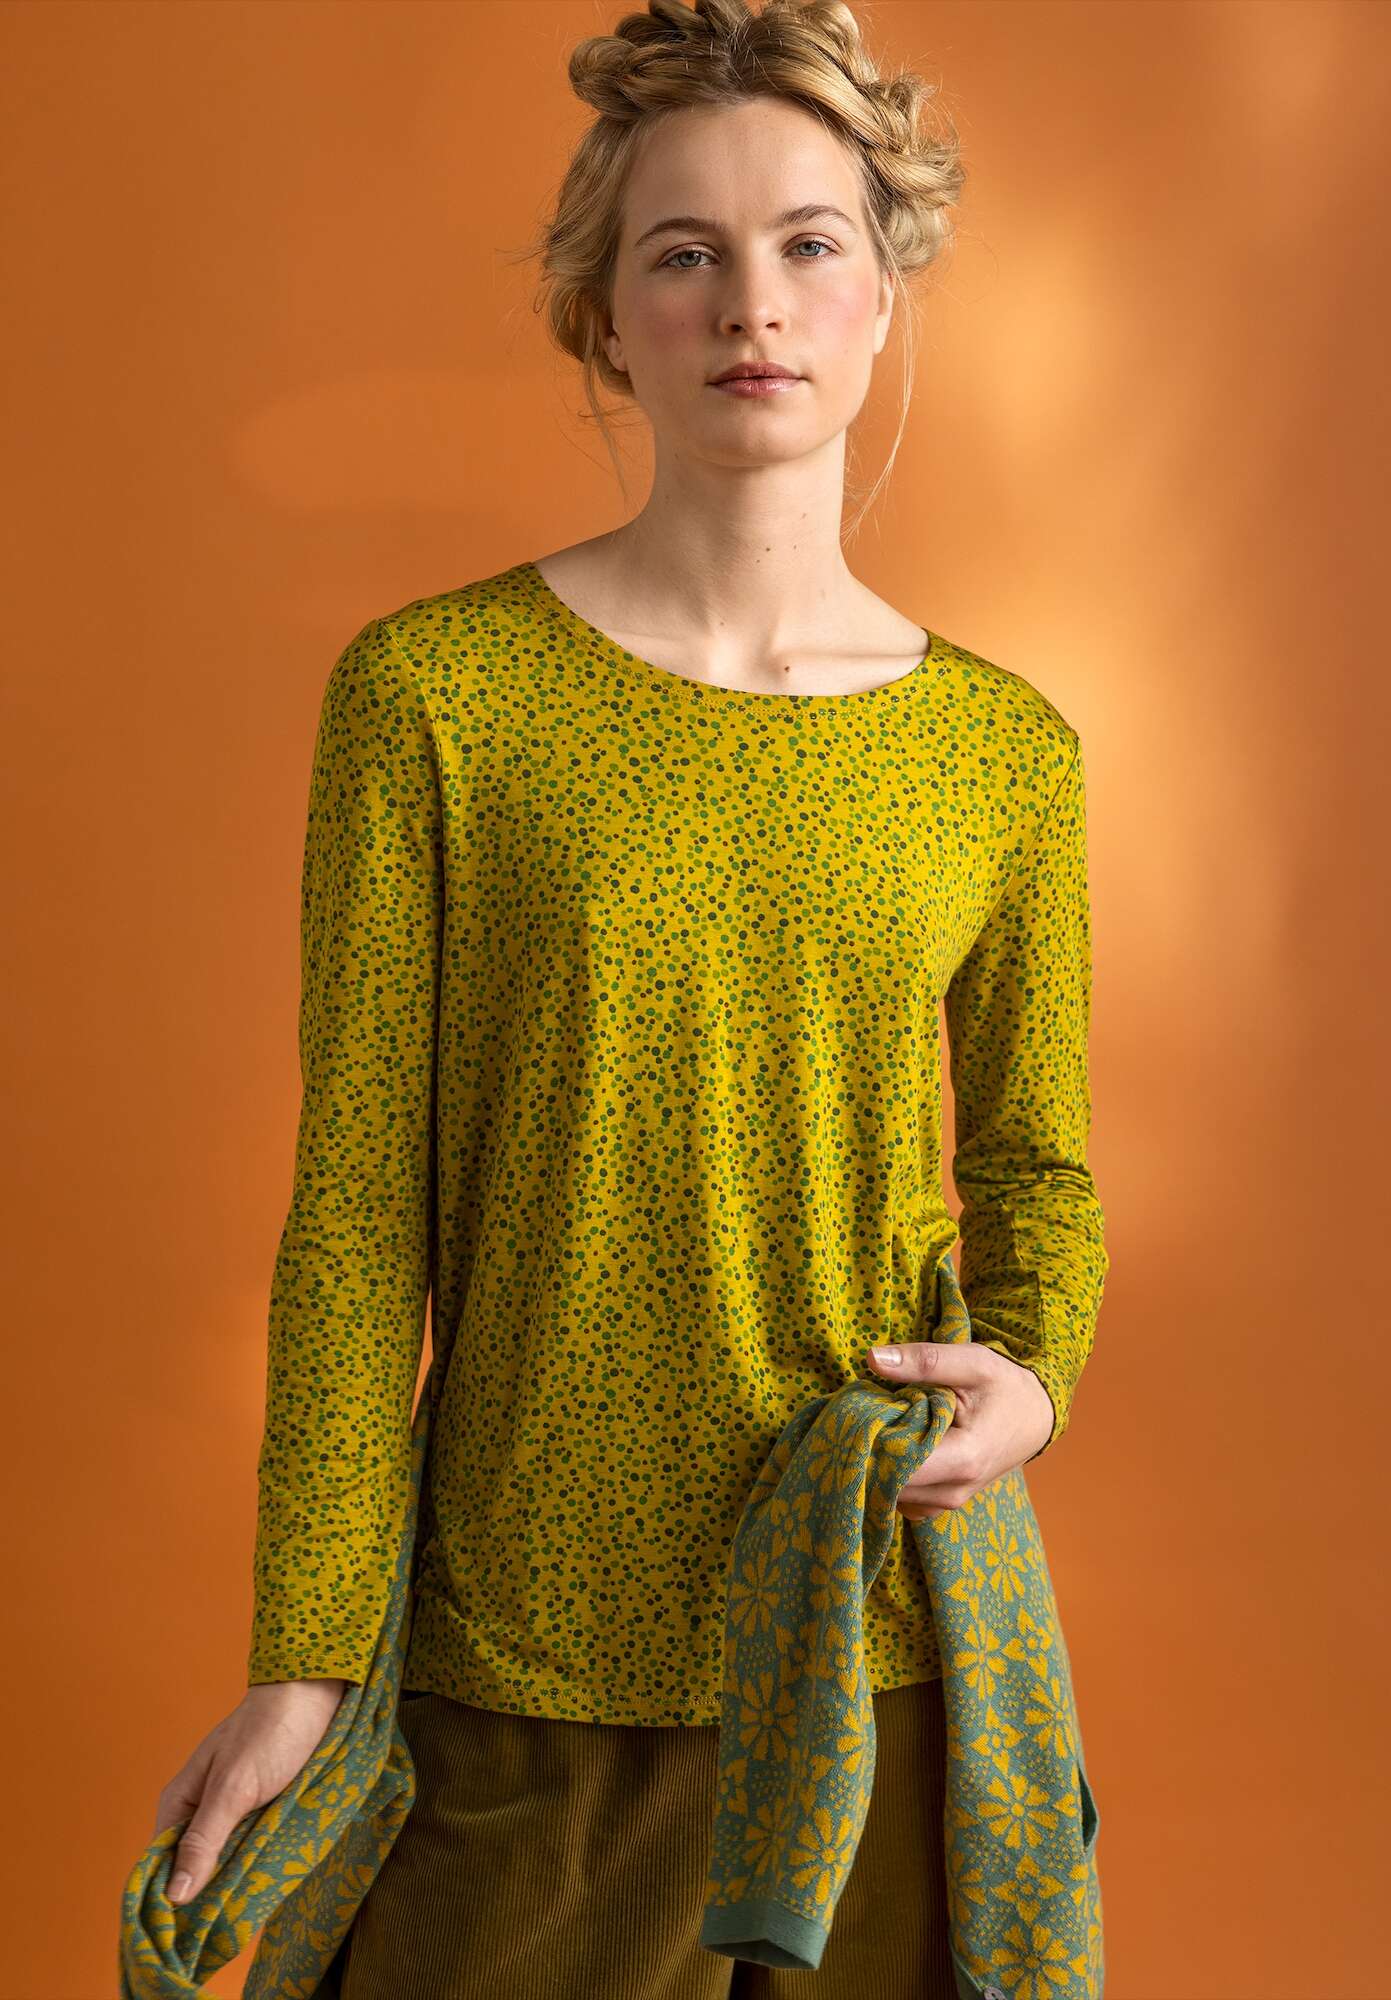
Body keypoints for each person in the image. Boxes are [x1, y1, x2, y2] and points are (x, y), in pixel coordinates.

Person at [151, 3, 1108, 1996]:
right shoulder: (436, 695)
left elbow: (1039, 1168)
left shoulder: (1002, 752)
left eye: (808, 242)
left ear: (880, 294)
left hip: (876, 1653)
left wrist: (1030, 1379)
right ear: (606, 318)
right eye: (686, 252)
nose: (752, 301)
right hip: (519, 1660)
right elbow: (358, 1216)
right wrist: (307, 1658)